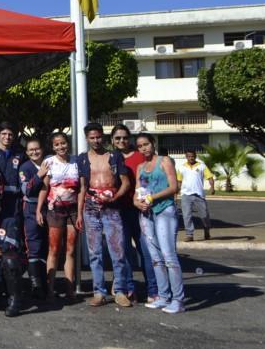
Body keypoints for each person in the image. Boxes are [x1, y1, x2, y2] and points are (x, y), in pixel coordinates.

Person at [76, 122, 133, 308]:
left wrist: (114, 197)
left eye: (98, 137)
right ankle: (99, 292)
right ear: (87, 139)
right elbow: (82, 188)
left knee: (117, 250)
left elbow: (125, 182)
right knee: (95, 252)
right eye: (92, 138)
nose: (96, 140)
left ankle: (120, 291)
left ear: (103, 136)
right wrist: (79, 213)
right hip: (91, 208)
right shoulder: (82, 159)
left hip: (112, 207)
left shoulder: (114, 156)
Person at [134, 133, 185, 314]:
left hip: (164, 210)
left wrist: (152, 197)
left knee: (168, 256)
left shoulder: (164, 161)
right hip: (146, 214)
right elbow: (137, 191)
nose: (144, 148)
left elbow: (173, 187)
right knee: (155, 258)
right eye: (140, 146)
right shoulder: (140, 167)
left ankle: (178, 299)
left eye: (146, 144)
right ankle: (163, 296)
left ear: (153, 143)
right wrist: (137, 202)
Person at [112, 124, 157, 303]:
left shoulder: (140, 156)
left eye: (125, 137)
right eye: (117, 138)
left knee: (146, 250)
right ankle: (130, 289)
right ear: (112, 140)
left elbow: (149, 181)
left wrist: (146, 201)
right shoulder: (111, 157)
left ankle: (153, 290)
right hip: (118, 210)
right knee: (124, 252)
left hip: (140, 210)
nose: (121, 141)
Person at [36, 132, 80, 303]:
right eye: (57, 144)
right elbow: (44, 188)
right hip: (54, 210)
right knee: (54, 250)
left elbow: (81, 188)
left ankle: (70, 290)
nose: (61, 146)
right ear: (53, 147)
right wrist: (38, 210)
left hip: (73, 211)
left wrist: (81, 212)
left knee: (70, 250)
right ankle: (50, 290)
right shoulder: (49, 162)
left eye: (63, 143)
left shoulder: (76, 161)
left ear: (68, 143)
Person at [18, 138, 48, 300]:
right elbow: (27, 190)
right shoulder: (25, 168)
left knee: (48, 245)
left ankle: (47, 282)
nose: (34, 152)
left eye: (37, 149)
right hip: (31, 208)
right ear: (27, 152)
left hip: (50, 207)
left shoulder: (50, 162)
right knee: (34, 245)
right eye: (31, 150)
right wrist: (39, 175)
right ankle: (36, 285)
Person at [0, 122, 24, 220]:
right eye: (4, 134)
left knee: (13, 226)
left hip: (14, 200)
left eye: (10, 134)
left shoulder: (20, 154)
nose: (7, 137)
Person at [177, 149, 215, 241]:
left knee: (204, 215)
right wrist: (176, 192)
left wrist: (212, 187)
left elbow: (210, 177)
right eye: (189, 156)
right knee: (187, 215)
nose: (191, 158)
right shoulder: (181, 167)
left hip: (199, 194)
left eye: (192, 156)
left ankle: (206, 230)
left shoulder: (202, 166)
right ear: (186, 157)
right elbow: (179, 181)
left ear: (195, 156)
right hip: (186, 194)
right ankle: (189, 234)